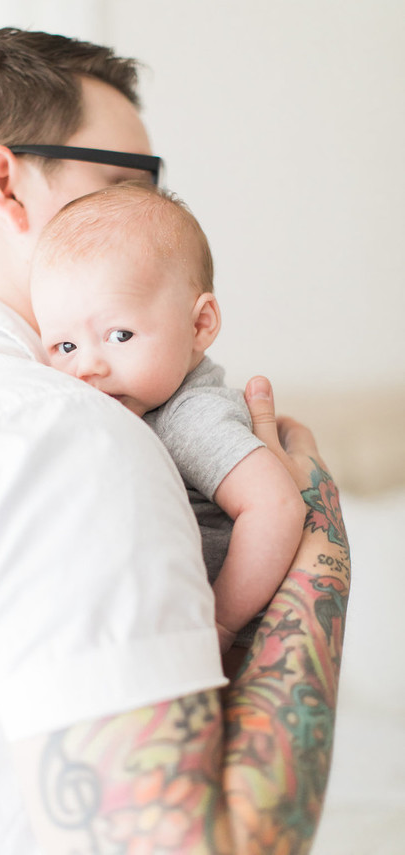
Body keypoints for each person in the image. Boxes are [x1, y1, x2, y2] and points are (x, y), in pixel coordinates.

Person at [0, 28, 350, 855]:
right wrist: (320, 539)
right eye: (126, 181)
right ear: (6, 185)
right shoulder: (64, 436)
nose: (149, 212)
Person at [30, 182, 306, 654]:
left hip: (230, 644)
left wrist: (221, 621)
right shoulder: (140, 405)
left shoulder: (190, 417)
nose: (87, 366)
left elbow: (277, 507)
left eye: (120, 334)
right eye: (66, 346)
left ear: (200, 325)